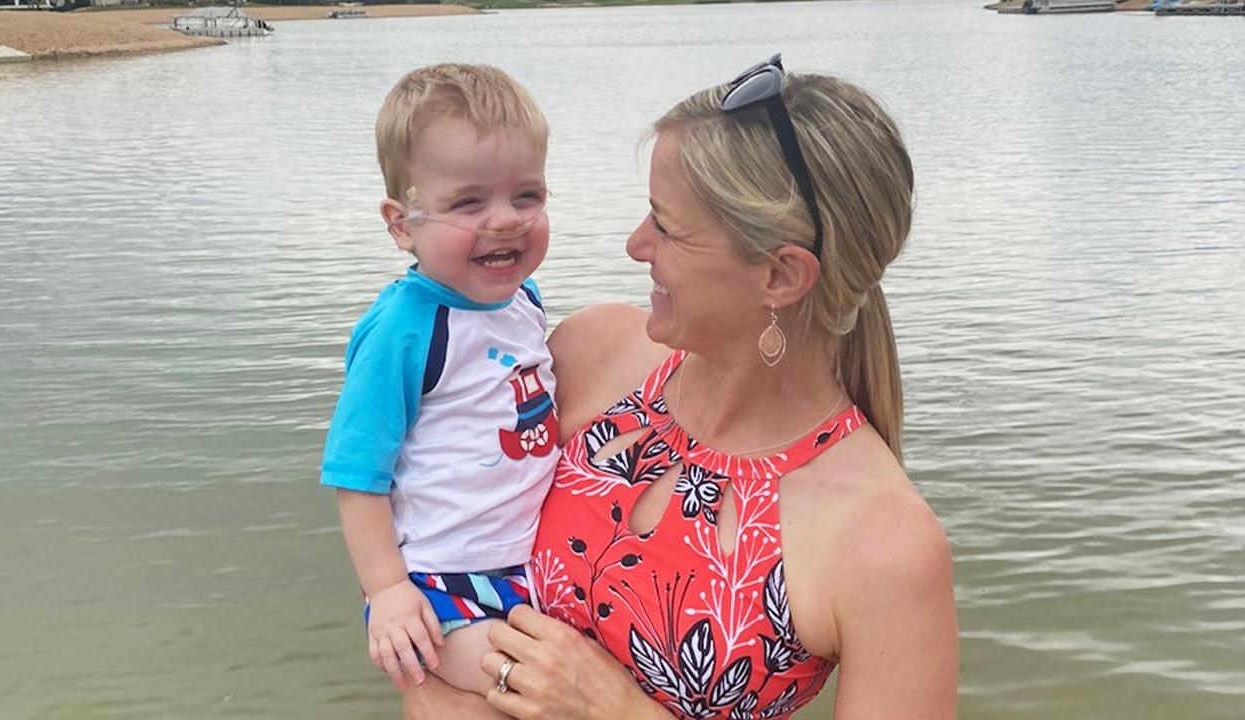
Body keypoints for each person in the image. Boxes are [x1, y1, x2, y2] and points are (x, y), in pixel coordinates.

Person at [405, 55, 957, 720]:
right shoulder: (589, 356)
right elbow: (426, 549)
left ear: (781, 277)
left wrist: (618, 711)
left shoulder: (885, 541)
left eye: (666, 226)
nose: (636, 245)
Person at [319, 64, 560, 702]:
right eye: (469, 202)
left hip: (531, 570)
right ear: (402, 224)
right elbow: (356, 475)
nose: (507, 220)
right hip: (438, 586)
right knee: (538, 691)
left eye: (527, 196)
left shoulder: (524, 300)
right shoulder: (404, 327)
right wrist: (387, 591)